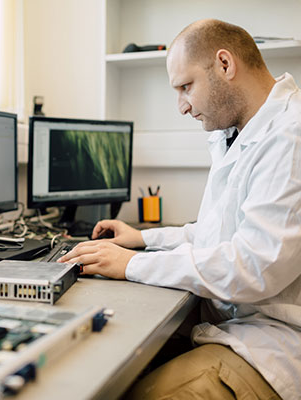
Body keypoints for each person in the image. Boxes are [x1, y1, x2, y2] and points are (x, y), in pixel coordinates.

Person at [59, 19, 301, 400]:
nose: (182, 106)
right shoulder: (240, 133)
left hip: (274, 344)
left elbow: (254, 266)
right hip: (235, 327)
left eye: (185, 87)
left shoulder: (291, 136)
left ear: (225, 64)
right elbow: (217, 233)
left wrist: (131, 264)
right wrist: (142, 238)